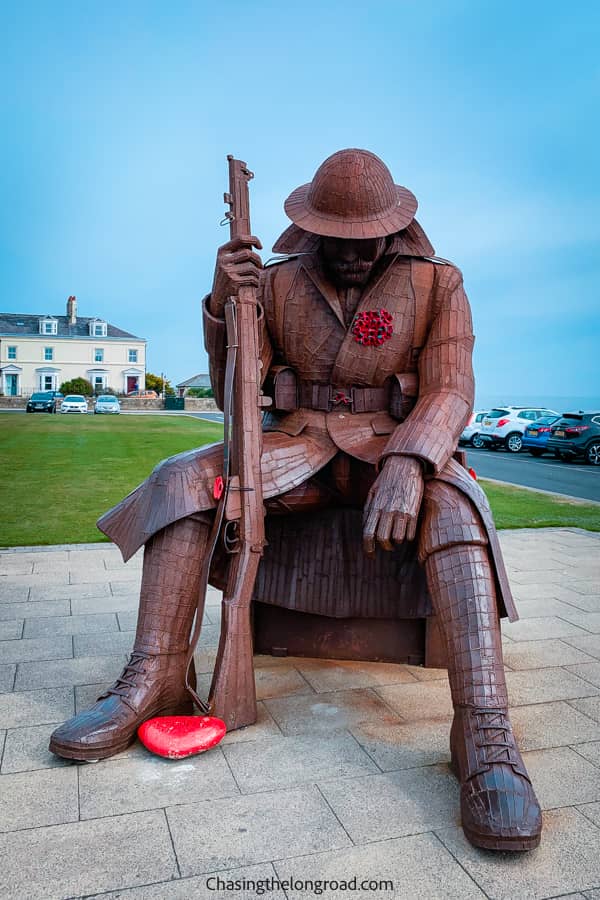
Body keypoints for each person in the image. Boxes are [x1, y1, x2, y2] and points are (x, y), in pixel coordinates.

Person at [50, 149, 541, 851]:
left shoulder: (439, 283)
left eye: (365, 238)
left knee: (458, 509)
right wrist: (225, 305)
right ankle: (153, 677)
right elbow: (233, 391)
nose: (351, 254)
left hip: (391, 446)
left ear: (395, 228)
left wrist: (410, 460)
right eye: (338, 240)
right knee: (180, 479)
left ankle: (485, 730)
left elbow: (451, 389)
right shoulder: (275, 283)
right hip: (299, 445)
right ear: (311, 231)